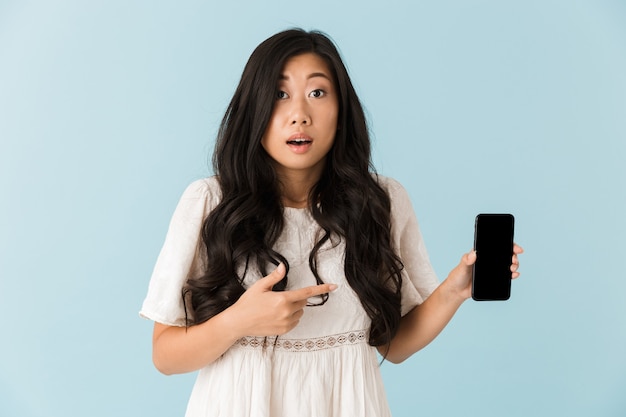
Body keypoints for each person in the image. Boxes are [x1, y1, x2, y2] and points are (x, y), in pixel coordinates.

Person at [140, 28, 523, 417]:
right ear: (254, 108)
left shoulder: (380, 202)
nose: (300, 114)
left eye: (318, 93)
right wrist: (238, 321)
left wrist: (454, 291)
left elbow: (397, 345)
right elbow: (165, 355)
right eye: (279, 94)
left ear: (341, 110)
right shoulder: (210, 202)